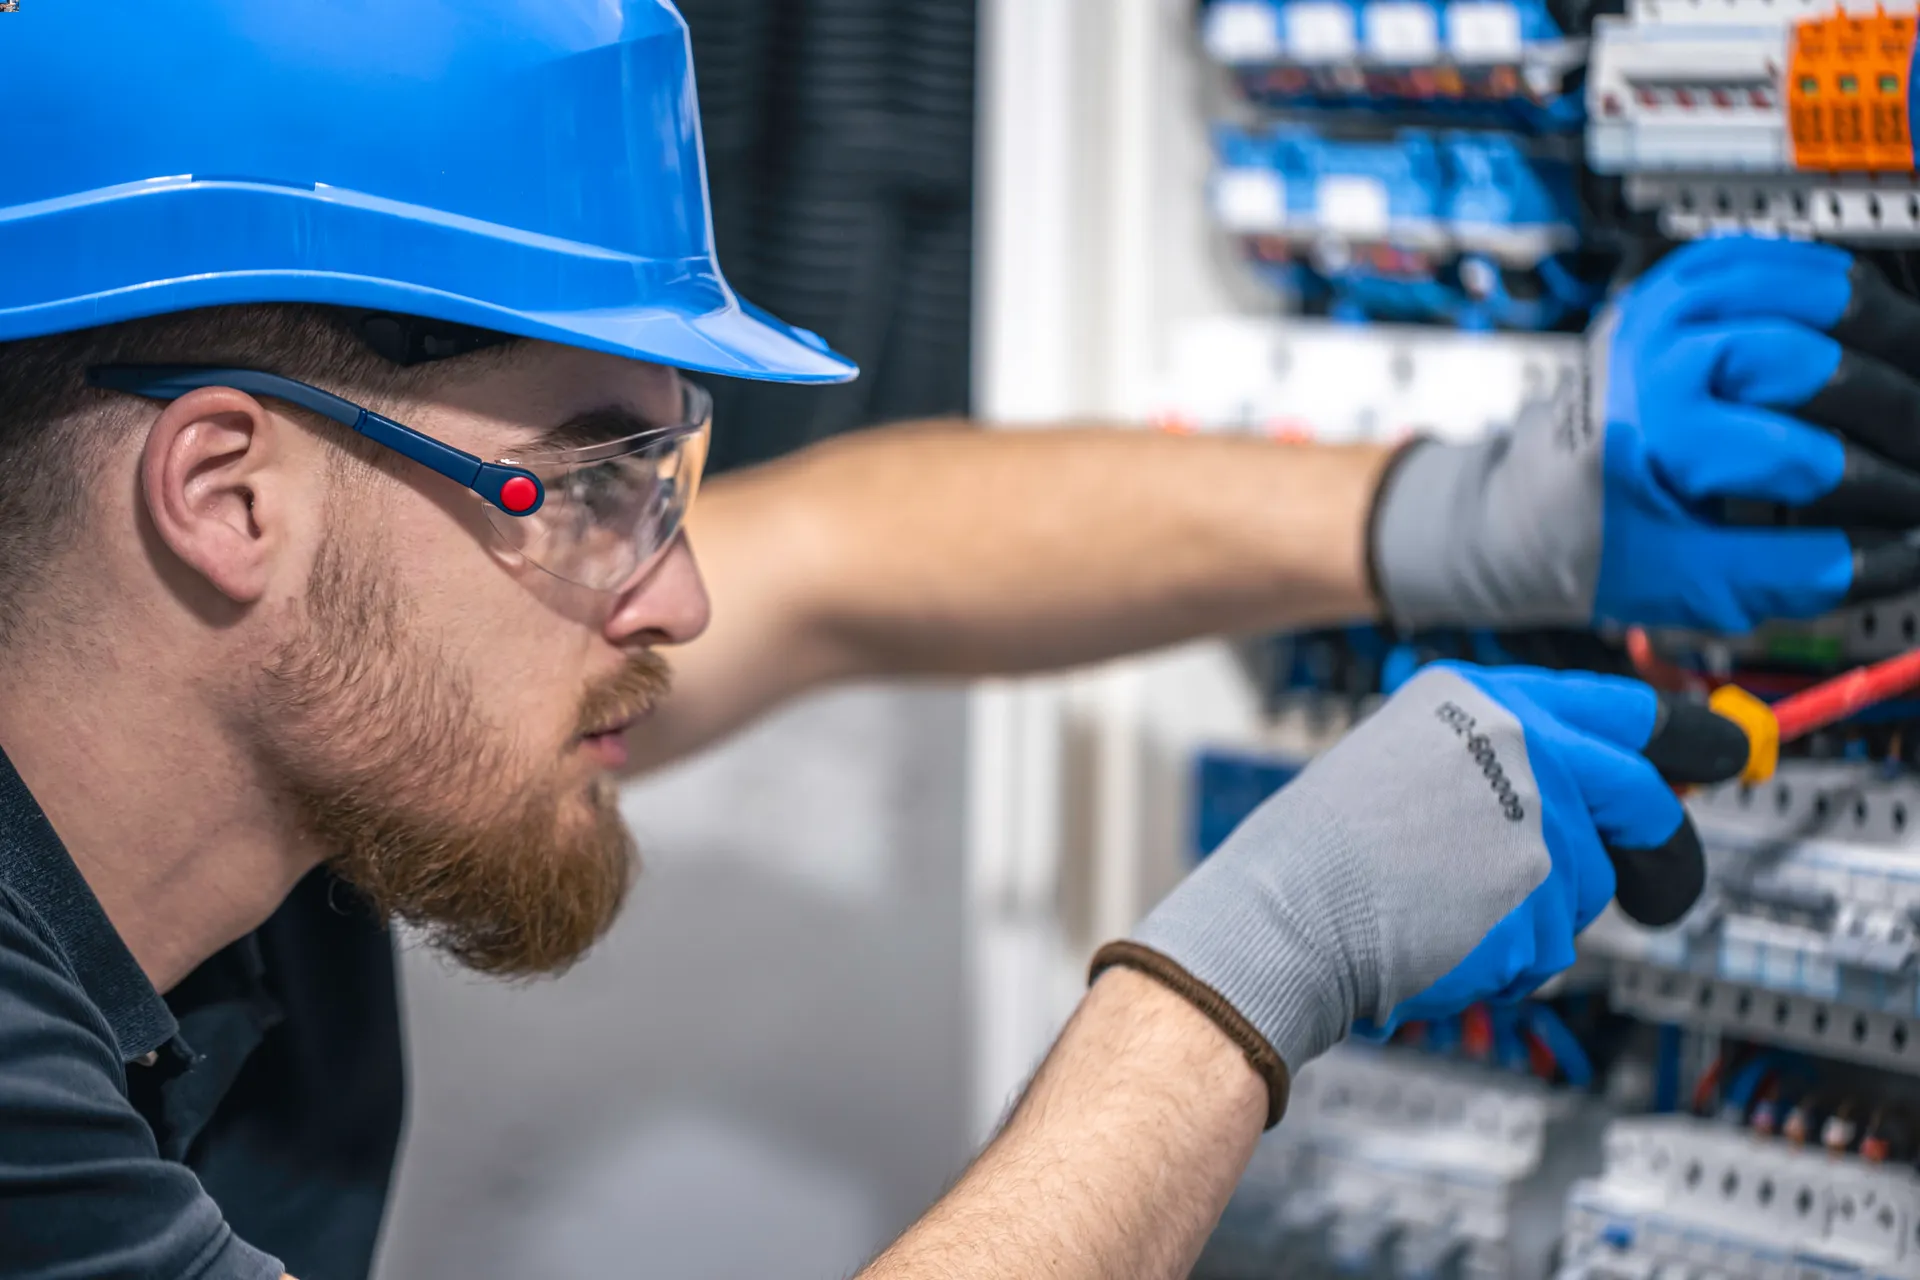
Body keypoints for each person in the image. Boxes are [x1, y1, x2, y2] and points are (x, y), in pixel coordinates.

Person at [3, 5, 1920, 1278]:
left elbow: (849, 555)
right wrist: (1242, 979)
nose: (675, 596)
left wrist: (1464, 511)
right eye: (591, 481)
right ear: (228, 498)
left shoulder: (275, 721)